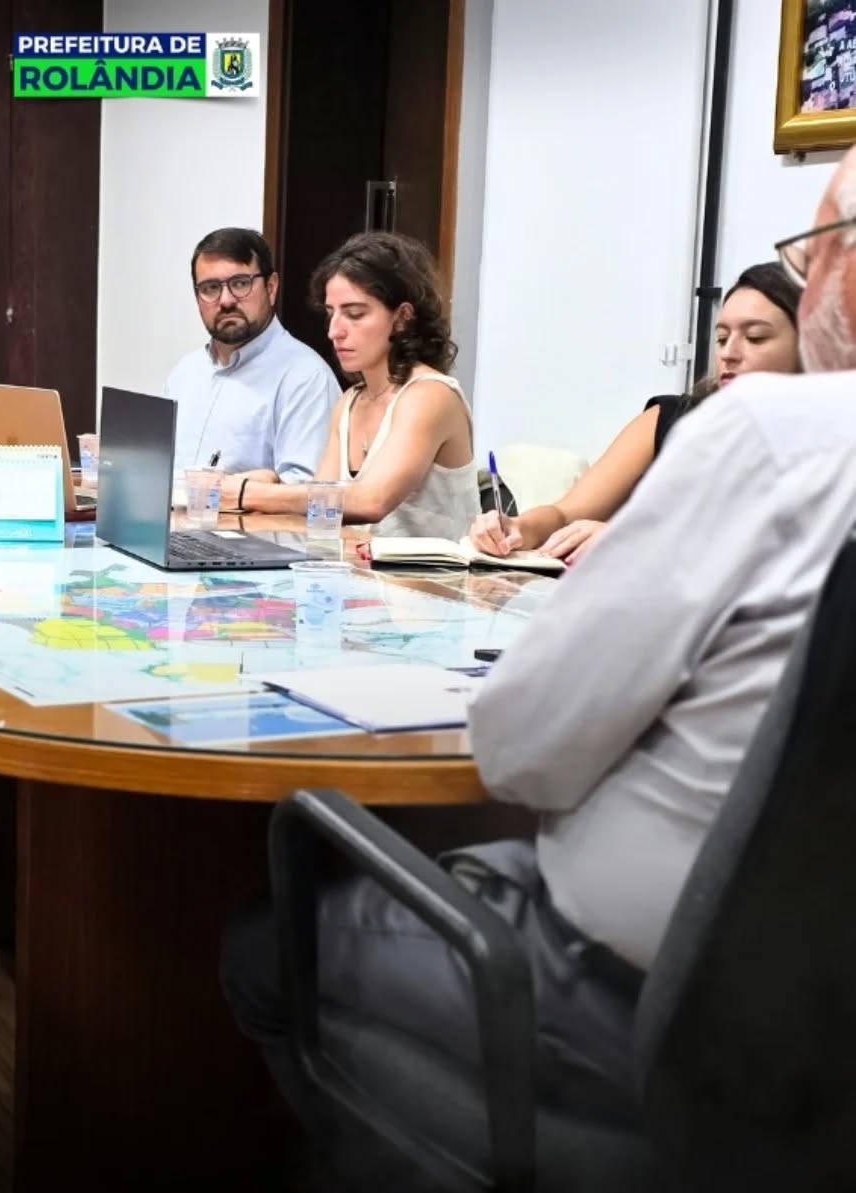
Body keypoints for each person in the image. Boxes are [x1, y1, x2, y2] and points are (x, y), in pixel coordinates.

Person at [221, 145, 856, 1192]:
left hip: (641, 1004)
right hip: (815, 1036)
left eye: (813, 253)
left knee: (262, 946)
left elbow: (518, 748)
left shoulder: (776, 435)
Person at [468, 262, 802, 563]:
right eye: (722, 338)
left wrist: (628, 541)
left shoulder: (820, 447)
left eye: (755, 338)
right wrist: (518, 527)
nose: (729, 353)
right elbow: (565, 514)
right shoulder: (671, 419)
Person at [220, 231, 479, 540]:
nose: (334, 331)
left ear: (402, 318)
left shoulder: (430, 395)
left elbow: (371, 501)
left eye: (355, 314)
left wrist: (249, 494)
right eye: (331, 314)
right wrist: (274, 485)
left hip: (425, 572)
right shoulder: (349, 402)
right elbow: (321, 510)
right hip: (356, 568)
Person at [164, 227, 339, 483]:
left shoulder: (306, 378)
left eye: (240, 284)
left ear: (271, 287)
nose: (226, 300)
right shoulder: (185, 373)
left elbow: (309, 490)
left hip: (244, 512)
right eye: (210, 288)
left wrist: (232, 490)